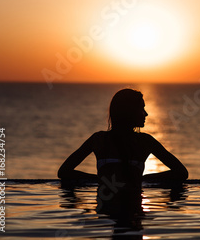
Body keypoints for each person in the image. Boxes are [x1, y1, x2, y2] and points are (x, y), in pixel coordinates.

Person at [58, 88, 188, 220]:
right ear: (129, 112)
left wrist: (102, 181)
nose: (146, 114)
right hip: (133, 213)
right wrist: (138, 180)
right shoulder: (144, 141)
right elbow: (181, 173)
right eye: (142, 109)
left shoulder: (99, 139)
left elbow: (64, 172)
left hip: (106, 217)